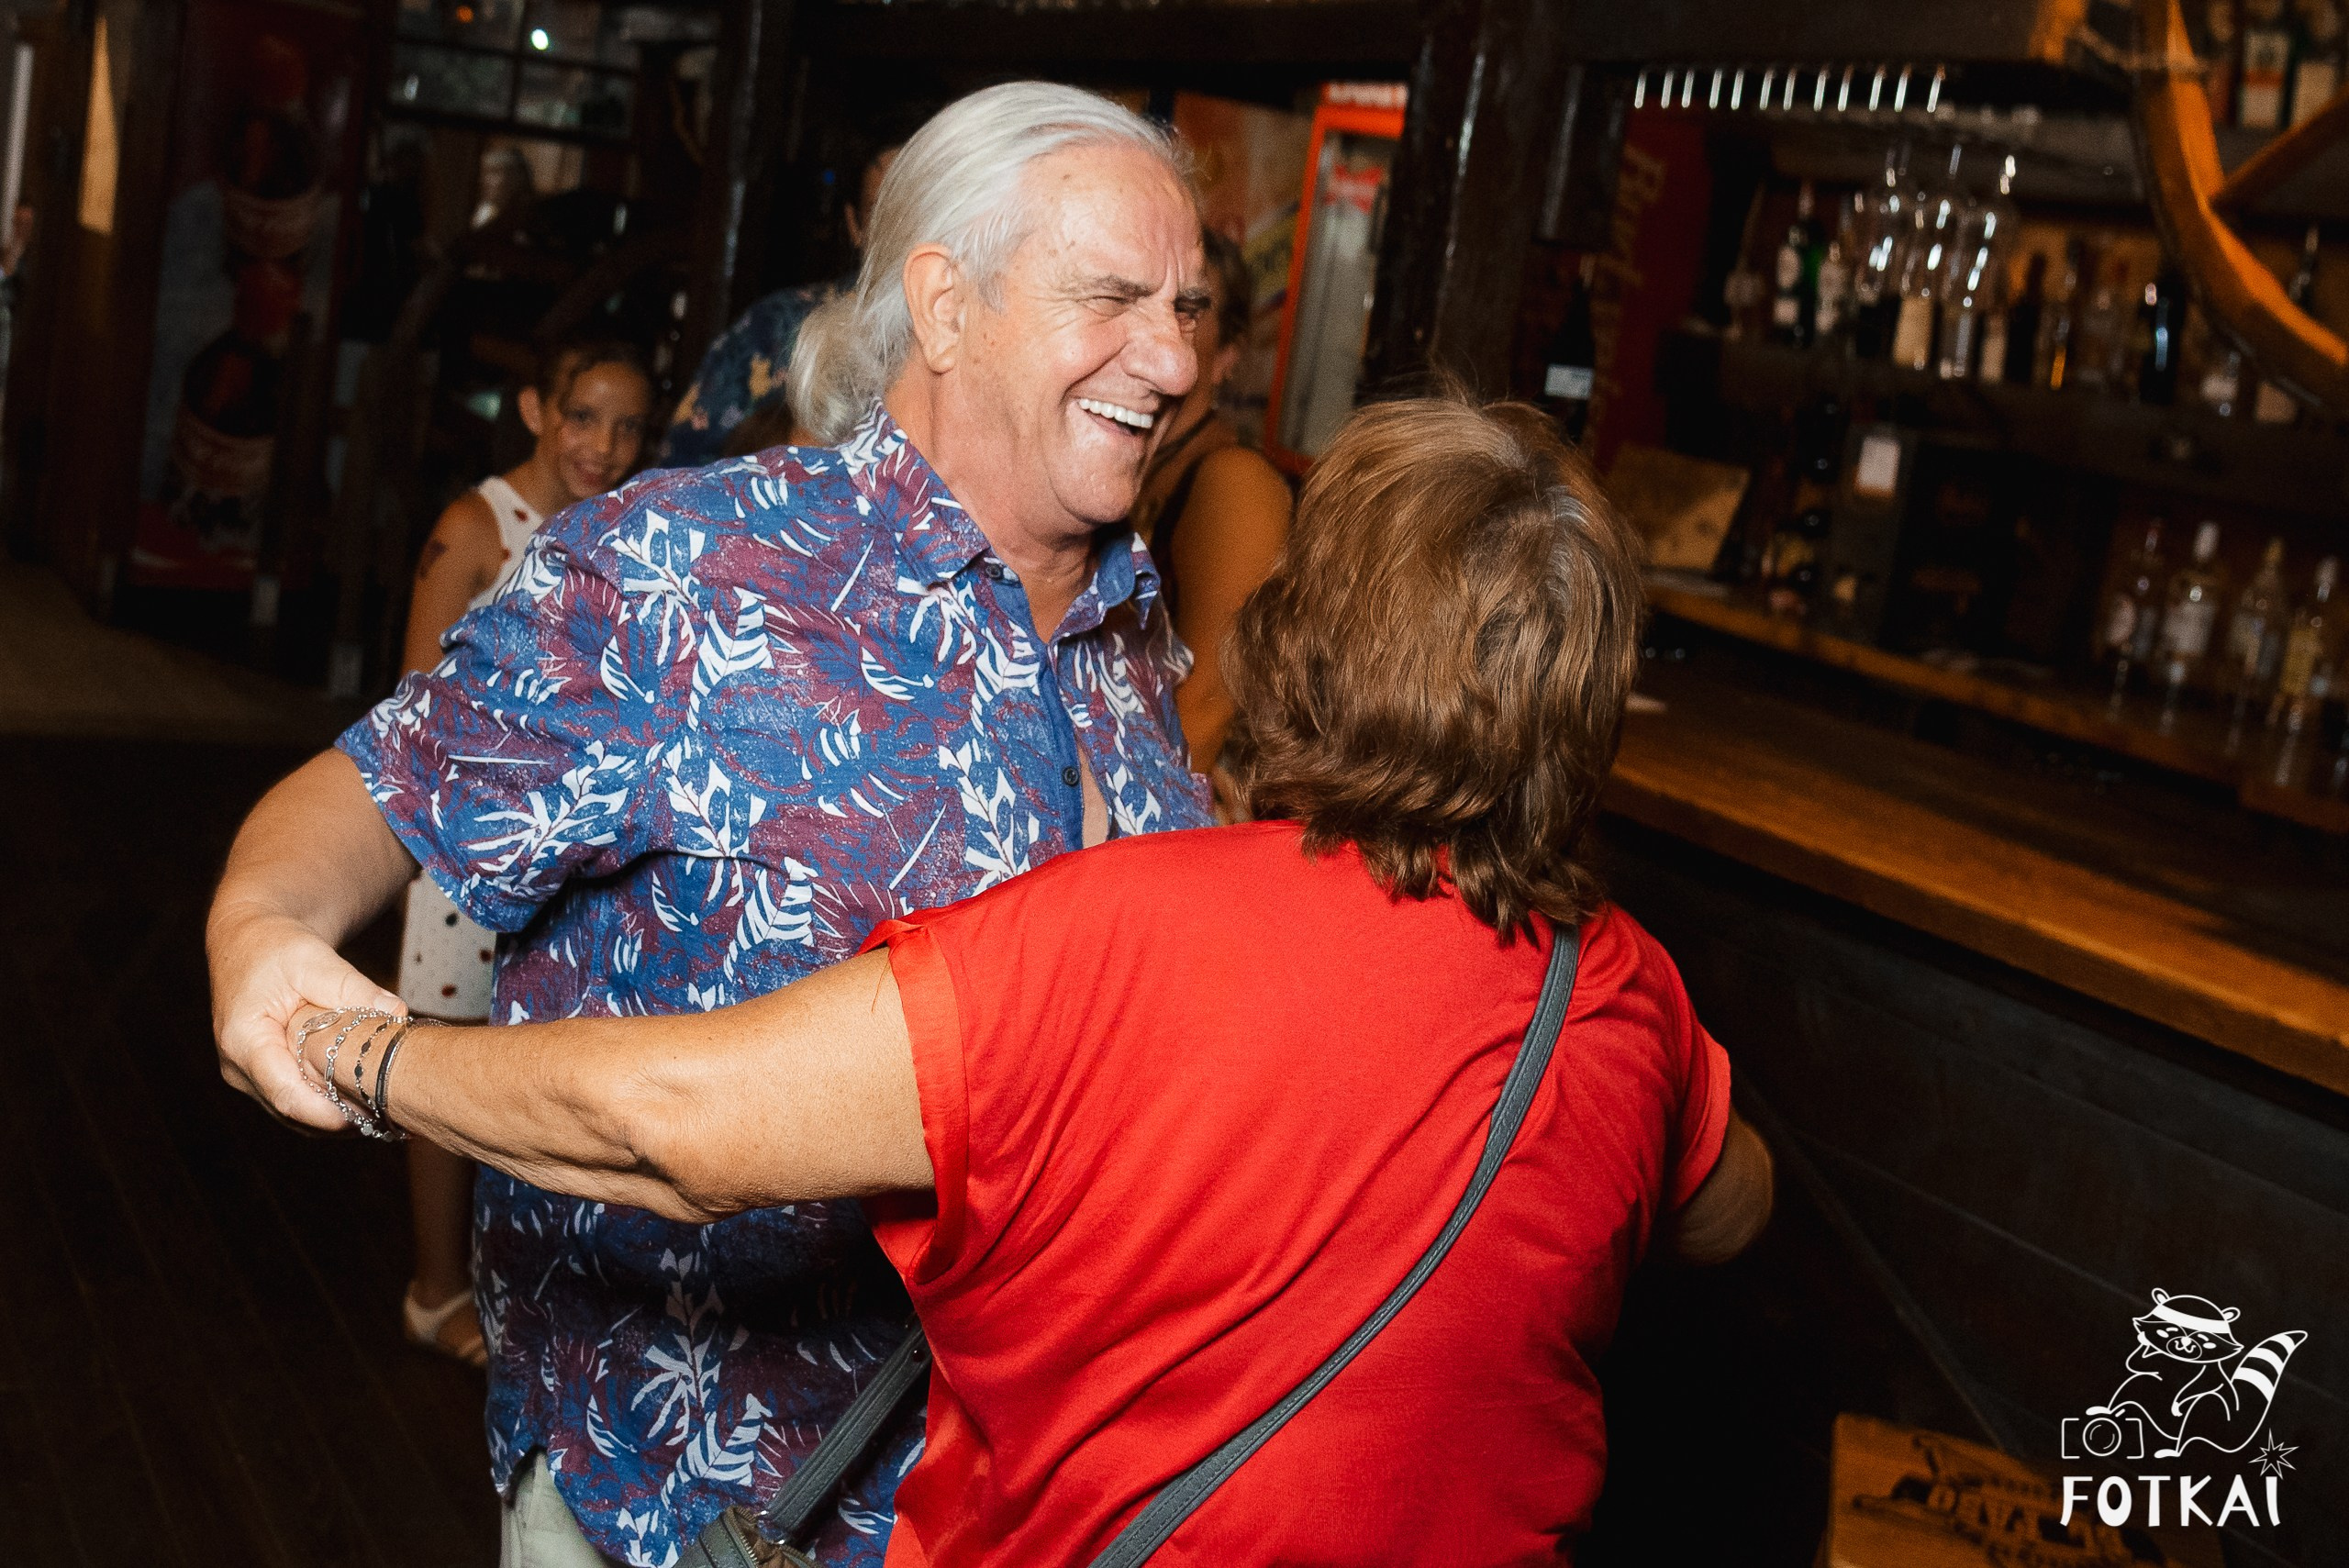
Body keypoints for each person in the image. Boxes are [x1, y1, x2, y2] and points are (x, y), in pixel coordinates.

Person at [261, 392, 1775, 1566]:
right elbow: (1732, 1199)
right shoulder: (1623, 999)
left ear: (1298, 640)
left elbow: (679, 1119)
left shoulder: (1115, 933)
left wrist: (360, 1052)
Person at [206, 82, 1212, 1567]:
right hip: (693, 1496)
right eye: (1115, 296)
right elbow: (369, 796)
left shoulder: (1132, 622)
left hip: (1022, 1496)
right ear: (944, 305)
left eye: (1188, 305)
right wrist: (256, 934)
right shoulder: (689, 575)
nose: (1177, 356)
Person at [393, 333, 653, 1368]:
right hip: (471, 840)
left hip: (573, 850)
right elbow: (412, 700)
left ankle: (521, 1291)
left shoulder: (617, 526)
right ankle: (431, 1284)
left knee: (529, 1065)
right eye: (584, 415)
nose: (603, 444)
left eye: (629, 425)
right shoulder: (475, 524)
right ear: (536, 407)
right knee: (439, 1055)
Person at [1128, 226, 1291, 784]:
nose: (1162, 327)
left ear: (1227, 355)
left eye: (1190, 310)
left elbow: (1201, 717)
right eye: (1144, 300)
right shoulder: (1121, 466)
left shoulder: (1234, 485)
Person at [661, 141, 901, 465]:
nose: (901, 228)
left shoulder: (968, 338)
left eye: (915, 208)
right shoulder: (776, 326)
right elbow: (682, 464)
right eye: (879, 209)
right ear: (854, 224)